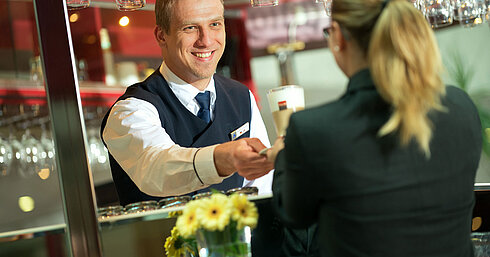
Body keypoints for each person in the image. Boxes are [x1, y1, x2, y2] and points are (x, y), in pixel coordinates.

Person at [269, 0, 483, 256]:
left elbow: (294, 214)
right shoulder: (460, 107)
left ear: (338, 36)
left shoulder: (315, 130)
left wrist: (282, 157)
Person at [100, 0, 273, 206]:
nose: (206, 40)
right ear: (161, 36)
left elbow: (260, 190)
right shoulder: (130, 110)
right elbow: (158, 169)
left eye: (215, 24)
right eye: (190, 28)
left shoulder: (241, 96)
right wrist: (223, 158)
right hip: (161, 238)